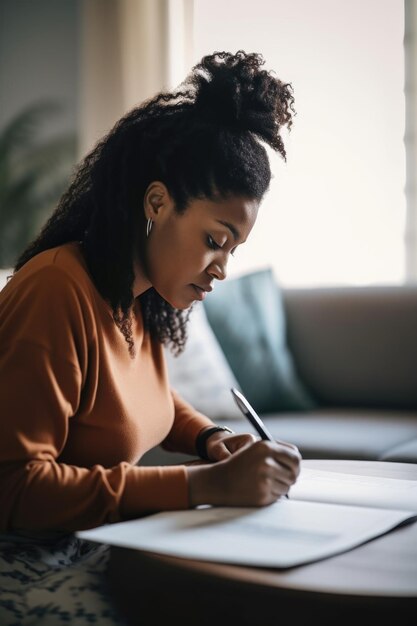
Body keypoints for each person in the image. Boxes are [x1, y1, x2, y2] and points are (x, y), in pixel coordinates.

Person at [0, 50, 301, 624]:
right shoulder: (57, 292)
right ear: (157, 203)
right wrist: (201, 484)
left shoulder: (138, 299)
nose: (221, 267)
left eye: (233, 249)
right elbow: (14, 486)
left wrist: (212, 439)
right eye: (216, 238)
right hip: (30, 558)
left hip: (99, 540)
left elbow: (143, 395)